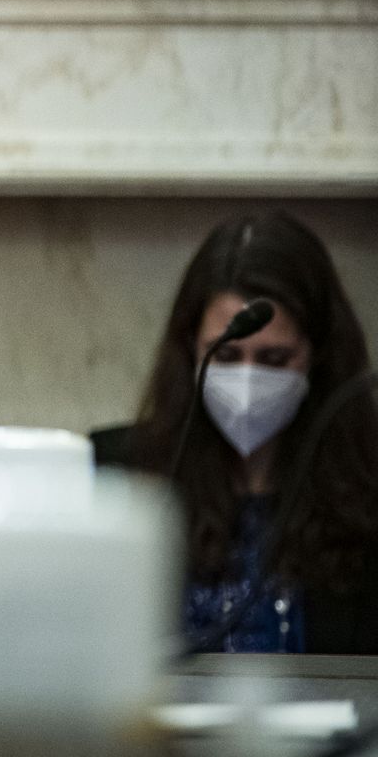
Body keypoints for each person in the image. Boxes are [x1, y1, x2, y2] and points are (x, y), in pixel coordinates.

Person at [109, 210, 378, 653]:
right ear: (191, 349)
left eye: (274, 360)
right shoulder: (127, 482)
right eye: (228, 356)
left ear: (319, 355)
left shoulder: (366, 501)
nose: (248, 382)